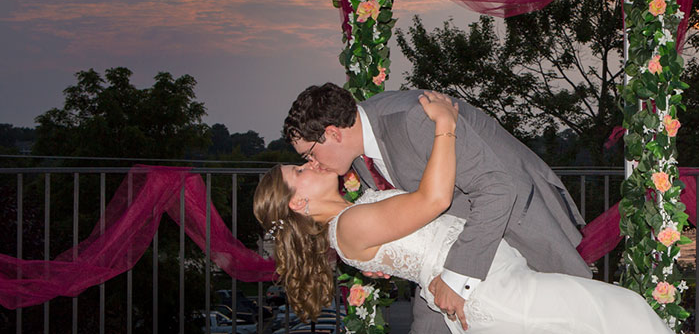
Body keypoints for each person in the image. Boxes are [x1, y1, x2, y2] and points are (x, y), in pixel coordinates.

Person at [255, 92, 670, 334]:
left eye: (310, 154)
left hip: (511, 229)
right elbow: (403, 209)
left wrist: (446, 275)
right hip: (456, 269)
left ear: (332, 133)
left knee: (602, 320)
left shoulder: (415, 120)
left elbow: (496, 187)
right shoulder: (356, 155)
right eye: (305, 163)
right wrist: (381, 254)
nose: (316, 164)